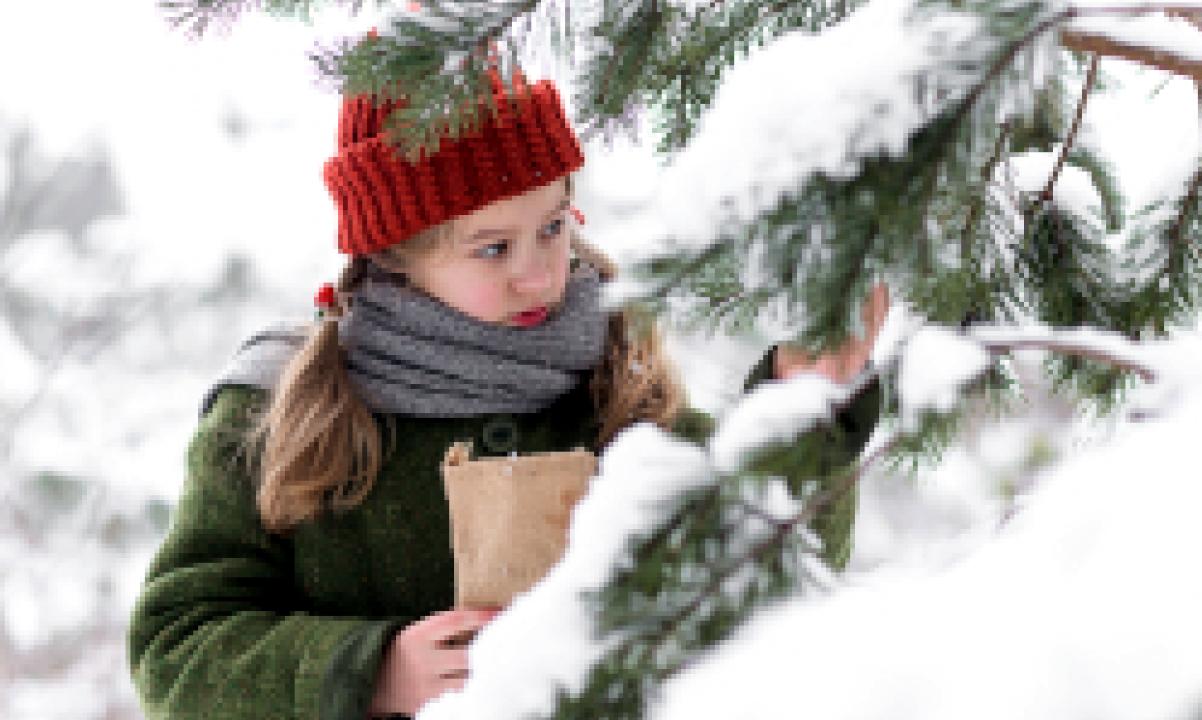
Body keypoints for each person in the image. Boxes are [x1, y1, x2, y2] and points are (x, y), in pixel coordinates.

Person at [126, 66, 886, 720]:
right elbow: (177, 645)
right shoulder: (280, 411)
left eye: (554, 227)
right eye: (493, 247)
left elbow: (762, 579)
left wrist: (805, 407)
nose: (541, 273)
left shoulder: (619, 387)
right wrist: (369, 669)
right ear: (396, 256)